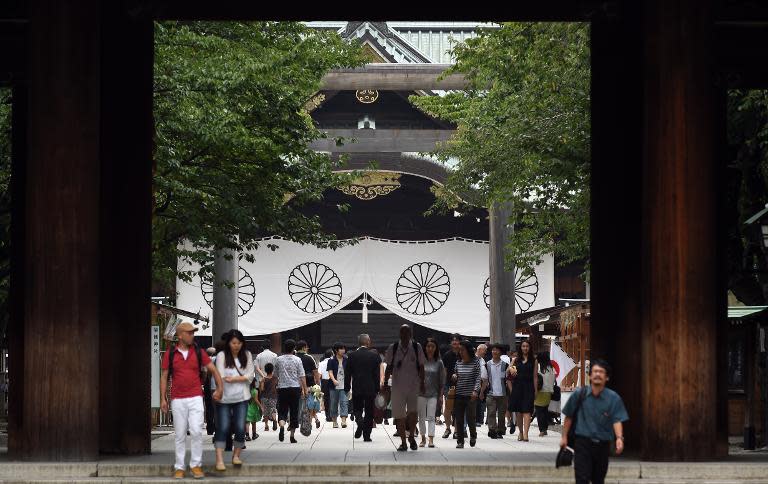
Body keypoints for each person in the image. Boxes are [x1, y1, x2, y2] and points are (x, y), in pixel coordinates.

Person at [160, 321, 223, 480]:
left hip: (196, 397)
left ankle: (196, 465)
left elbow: (213, 369)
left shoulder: (199, 352)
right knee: (180, 434)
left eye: (193, 332)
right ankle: (180, 467)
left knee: (196, 431)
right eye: (189, 332)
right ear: (180, 335)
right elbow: (164, 376)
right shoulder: (171, 353)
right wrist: (163, 398)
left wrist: (220, 388)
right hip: (178, 398)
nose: (192, 335)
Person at [560, 359, 628, 484]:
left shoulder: (613, 398)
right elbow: (568, 416)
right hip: (582, 443)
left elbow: (617, 419)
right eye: (595, 371)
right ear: (590, 375)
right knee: (581, 478)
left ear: (606, 377)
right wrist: (564, 436)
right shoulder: (579, 394)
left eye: (601, 372)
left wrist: (619, 438)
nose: (597, 374)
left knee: (598, 479)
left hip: (603, 444)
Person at [213, 330, 255, 472]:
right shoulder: (221, 356)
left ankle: (236, 455)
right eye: (233, 343)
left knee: (239, 427)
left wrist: (237, 378)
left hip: (241, 397)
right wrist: (242, 377)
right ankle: (219, 458)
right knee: (223, 427)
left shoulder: (247, 355)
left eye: (238, 343)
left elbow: (250, 375)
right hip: (224, 397)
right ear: (228, 343)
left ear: (242, 343)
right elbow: (221, 375)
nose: (236, 346)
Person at [385, 324, 426, 451]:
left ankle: (412, 437)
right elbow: (388, 367)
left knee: (413, 413)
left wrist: (423, 383)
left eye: (407, 332)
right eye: (402, 332)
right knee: (399, 415)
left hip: (413, 385)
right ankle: (403, 441)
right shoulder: (393, 347)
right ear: (399, 334)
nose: (404, 335)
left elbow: (422, 366)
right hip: (397, 387)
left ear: (410, 334)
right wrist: (385, 384)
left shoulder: (416, 346)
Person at [344, 334, 381, 441]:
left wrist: (347, 387)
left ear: (358, 343)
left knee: (357, 408)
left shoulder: (352, 355)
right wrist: (377, 388)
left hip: (357, 386)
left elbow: (348, 373)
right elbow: (376, 374)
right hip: (370, 387)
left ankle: (360, 422)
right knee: (369, 411)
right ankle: (367, 435)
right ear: (368, 342)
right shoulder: (374, 356)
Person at [274, 339, 308, 443]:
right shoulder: (297, 360)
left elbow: (276, 375)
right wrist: (305, 389)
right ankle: (292, 436)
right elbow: (302, 375)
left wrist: (276, 386)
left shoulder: (278, 359)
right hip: (295, 388)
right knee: (294, 411)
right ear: (294, 348)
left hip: (282, 388)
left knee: (282, 410)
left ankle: (282, 426)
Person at [450, 340, 481, 449]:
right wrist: (454, 376)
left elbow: (478, 377)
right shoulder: (458, 362)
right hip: (459, 393)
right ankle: (460, 441)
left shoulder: (475, 361)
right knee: (458, 418)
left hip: (470, 395)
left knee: (471, 417)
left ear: (468, 350)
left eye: (462, 350)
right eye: (459, 350)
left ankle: (473, 435)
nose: (460, 352)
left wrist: (475, 391)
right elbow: (455, 373)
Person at [418, 337, 445, 448]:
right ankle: (423, 438)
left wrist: (440, 396)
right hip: (420, 393)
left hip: (433, 393)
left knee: (431, 416)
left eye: (432, 346)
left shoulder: (439, 363)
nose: (430, 348)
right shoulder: (420, 362)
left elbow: (442, 381)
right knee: (421, 417)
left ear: (435, 348)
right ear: (425, 348)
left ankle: (431, 439)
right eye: (428, 346)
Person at [508, 340, 536, 441]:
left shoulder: (534, 360)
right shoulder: (516, 360)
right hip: (518, 387)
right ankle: (520, 432)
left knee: (527, 410)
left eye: (527, 346)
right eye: (523, 346)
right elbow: (508, 371)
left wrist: (535, 390)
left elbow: (535, 377)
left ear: (530, 348)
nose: (525, 348)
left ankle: (526, 433)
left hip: (529, 387)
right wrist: (511, 368)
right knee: (519, 411)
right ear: (521, 348)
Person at [486, 343, 511, 439]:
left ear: (500, 352)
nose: (494, 351)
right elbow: (484, 379)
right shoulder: (487, 364)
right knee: (491, 412)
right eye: (493, 350)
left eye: (496, 350)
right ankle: (492, 430)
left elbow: (508, 379)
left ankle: (500, 430)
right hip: (491, 393)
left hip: (503, 393)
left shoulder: (505, 365)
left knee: (501, 414)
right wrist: (481, 392)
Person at [295, 340, 321, 428]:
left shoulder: (294, 357)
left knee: (296, 404)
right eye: (306, 347)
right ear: (303, 347)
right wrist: (317, 383)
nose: (307, 349)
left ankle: (295, 421)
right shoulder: (309, 357)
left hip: (295, 385)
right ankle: (310, 422)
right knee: (311, 403)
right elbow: (315, 372)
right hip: (310, 384)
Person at [441, 334, 461, 439]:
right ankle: (447, 428)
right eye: (453, 341)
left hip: (461, 385)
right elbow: (444, 371)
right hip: (449, 385)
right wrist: (443, 385)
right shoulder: (447, 355)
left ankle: (457, 430)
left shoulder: (463, 355)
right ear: (450, 343)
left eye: (457, 340)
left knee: (458, 408)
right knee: (448, 408)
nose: (455, 342)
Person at [327, 342, 349, 428]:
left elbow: (349, 372)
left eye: (344, 348)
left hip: (344, 385)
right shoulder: (331, 360)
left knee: (344, 402)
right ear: (336, 350)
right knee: (334, 403)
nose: (343, 350)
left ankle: (343, 421)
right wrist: (334, 380)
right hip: (334, 385)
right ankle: (334, 421)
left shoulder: (347, 359)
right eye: (341, 349)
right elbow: (330, 372)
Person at [534, 351, 556, 437]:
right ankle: (545, 428)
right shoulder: (551, 368)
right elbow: (553, 380)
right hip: (548, 391)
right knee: (545, 410)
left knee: (539, 411)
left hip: (539, 391)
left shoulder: (539, 367)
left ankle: (542, 429)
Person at [259, 363, 278, 431]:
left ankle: (266, 426)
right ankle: (274, 420)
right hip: (273, 396)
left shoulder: (264, 379)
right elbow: (277, 387)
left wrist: (261, 383)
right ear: (272, 370)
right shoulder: (275, 378)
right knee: (273, 409)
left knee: (266, 411)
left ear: (265, 370)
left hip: (264, 397)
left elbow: (262, 389)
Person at [475, 344, 489, 427]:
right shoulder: (473, 358)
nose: (485, 352)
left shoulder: (482, 360)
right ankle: (476, 419)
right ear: (479, 350)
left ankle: (479, 420)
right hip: (474, 382)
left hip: (481, 383)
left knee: (479, 402)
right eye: (484, 350)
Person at [318, 349, 333, 422]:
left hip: (324, 382)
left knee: (326, 399)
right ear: (331, 355)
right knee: (333, 398)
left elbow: (319, 374)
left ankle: (328, 415)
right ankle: (333, 415)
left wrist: (318, 384)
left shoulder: (321, 363)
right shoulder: (333, 362)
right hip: (332, 381)